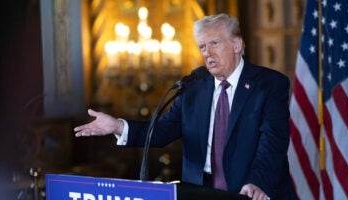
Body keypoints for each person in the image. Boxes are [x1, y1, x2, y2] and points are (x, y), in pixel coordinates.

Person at [75, 13, 297, 200]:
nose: (207, 53)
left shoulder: (268, 85)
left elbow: (273, 142)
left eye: (214, 44)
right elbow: (162, 131)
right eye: (202, 46)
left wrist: (257, 183)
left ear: (237, 44)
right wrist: (118, 126)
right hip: (200, 192)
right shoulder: (193, 86)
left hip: (250, 192)